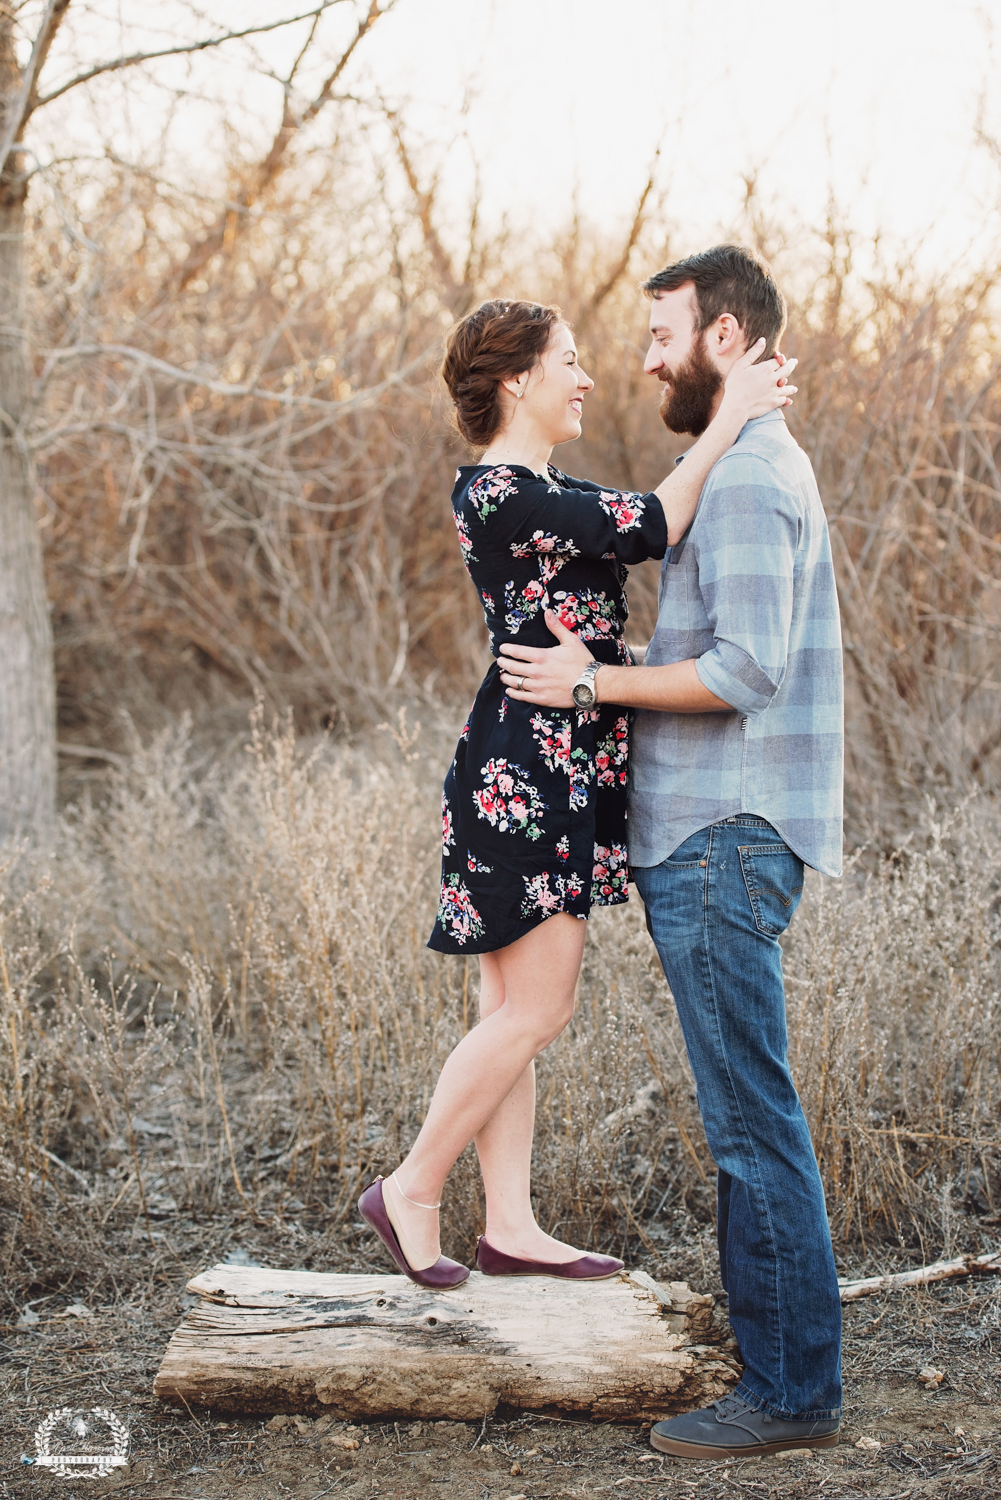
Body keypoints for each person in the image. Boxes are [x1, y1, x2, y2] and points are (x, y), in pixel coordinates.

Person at [359, 297, 796, 1292]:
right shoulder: (499, 491)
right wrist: (730, 411)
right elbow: (651, 520)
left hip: (556, 760)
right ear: (517, 379)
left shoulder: (541, 488)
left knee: (506, 1009)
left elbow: (600, 598)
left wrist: (617, 668)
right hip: (528, 773)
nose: (588, 376)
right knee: (536, 1009)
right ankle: (412, 1187)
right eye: (568, 359)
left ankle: (508, 1226)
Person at [497, 246, 844, 1459]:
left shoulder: (748, 477)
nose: (644, 361)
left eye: (661, 336)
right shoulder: (735, 465)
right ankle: (783, 1377)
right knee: (745, 1118)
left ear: (730, 339)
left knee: (752, 1124)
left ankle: (790, 1395)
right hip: (709, 839)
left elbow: (742, 670)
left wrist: (593, 682)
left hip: (719, 836)